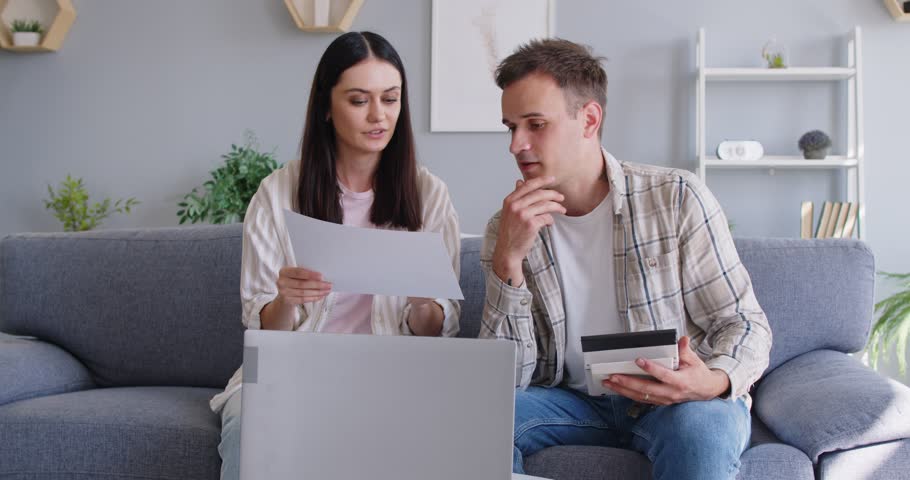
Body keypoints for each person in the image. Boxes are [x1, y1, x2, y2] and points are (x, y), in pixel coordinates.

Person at [478, 38, 772, 479]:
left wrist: (709, 382)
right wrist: (509, 267)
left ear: (589, 119)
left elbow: (745, 323)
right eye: (511, 126)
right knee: (480, 419)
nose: (516, 144)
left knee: (700, 431)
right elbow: (506, 381)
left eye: (535, 124)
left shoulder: (675, 198)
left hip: (675, 401)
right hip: (572, 403)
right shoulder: (507, 228)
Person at [210, 31, 461, 480]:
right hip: (292, 369)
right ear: (327, 107)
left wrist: (425, 303)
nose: (379, 115)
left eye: (390, 99)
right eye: (359, 100)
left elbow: (438, 330)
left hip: (391, 372)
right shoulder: (277, 193)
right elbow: (263, 330)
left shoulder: (429, 194)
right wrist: (286, 299)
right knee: (248, 426)